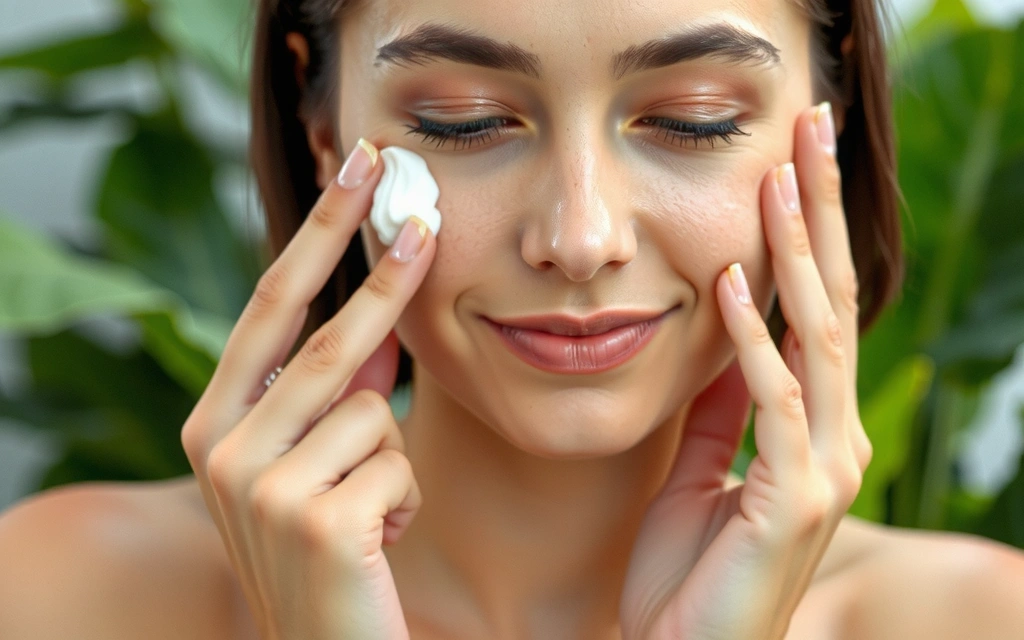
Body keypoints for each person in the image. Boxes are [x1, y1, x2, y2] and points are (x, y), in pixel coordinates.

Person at [2, 0, 1024, 637]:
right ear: (326, 137)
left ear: (823, 132)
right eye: (465, 122)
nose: (578, 238)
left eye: (692, 120)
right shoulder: (56, 596)